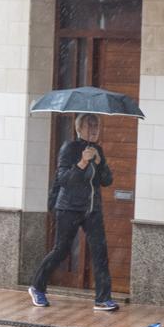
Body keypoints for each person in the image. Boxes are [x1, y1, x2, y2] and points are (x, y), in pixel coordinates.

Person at [28, 113, 119, 311]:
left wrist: (98, 162)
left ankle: (103, 299)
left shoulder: (98, 150)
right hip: (69, 207)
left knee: (100, 252)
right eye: (89, 125)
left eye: (96, 125)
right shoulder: (69, 148)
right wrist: (82, 163)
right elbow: (64, 179)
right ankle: (37, 287)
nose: (94, 129)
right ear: (79, 129)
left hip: (92, 209)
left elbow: (107, 180)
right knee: (61, 250)